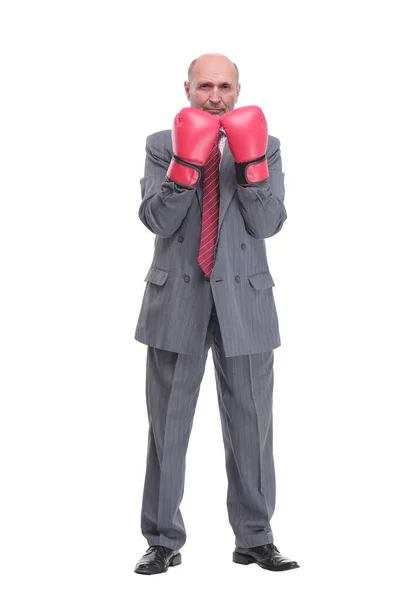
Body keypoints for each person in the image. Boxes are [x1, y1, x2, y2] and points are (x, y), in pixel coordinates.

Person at [133, 53, 299, 575]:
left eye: (225, 86)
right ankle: (162, 539)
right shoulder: (162, 144)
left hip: (244, 302)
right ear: (187, 88)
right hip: (177, 301)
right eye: (205, 85)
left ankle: (255, 537)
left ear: (238, 89)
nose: (216, 96)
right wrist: (184, 168)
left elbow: (270, 223)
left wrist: (251, 167)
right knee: (168, 428)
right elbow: (155, 220)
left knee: (253, 425)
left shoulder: (265, 145)